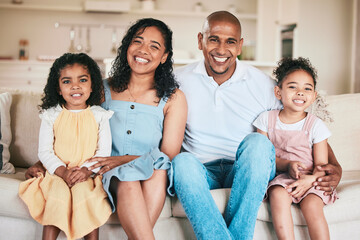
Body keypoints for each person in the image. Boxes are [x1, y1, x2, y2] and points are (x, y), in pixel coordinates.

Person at [172, 11, 342, 239]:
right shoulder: (178, 80)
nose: (221, 50)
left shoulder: (262, 84)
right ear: (200, 40)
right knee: (181, 162)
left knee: (258, 143)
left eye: (230, 41)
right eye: (214, 39)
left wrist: (336, 167)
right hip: (201, 170)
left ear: (240, 45)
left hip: (246, 168)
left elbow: (301, 122)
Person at [26, 18, 187, 239]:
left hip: (150, 171)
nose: (143, 50)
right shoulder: (101, 89)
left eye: (154, 46)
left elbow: (168, 155)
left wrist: (122, 159)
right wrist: (43, 163)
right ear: (127, 47)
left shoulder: (174, 98)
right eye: (137, 41)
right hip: (106, 171)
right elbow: (73, 123)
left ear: (165, 57)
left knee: (159, 170)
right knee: (128, 180)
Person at [18, 53, 113, 240]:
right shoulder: (50, 115)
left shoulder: (100, 115)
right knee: (57, 198)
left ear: (92, 85)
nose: (75, 86)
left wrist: (86, 171)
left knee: (87, 199)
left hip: (87, 175)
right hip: (56, 174)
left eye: (83, 80)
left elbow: (103, 152)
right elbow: (45, 151)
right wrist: (63, 172)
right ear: (59, 89)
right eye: (67, 81)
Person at [253, 57, 337, 240]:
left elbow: (322, 165)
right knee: (277, 195)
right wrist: (287, 165)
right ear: (278, 92)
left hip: (313, 178)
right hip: (283, 177)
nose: (300, 93)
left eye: (307, 88)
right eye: (292, 87)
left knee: (312, 206)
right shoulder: (266, 119)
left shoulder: (316, 125)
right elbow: (261, 157)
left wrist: (310, 180)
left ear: (314, 96)